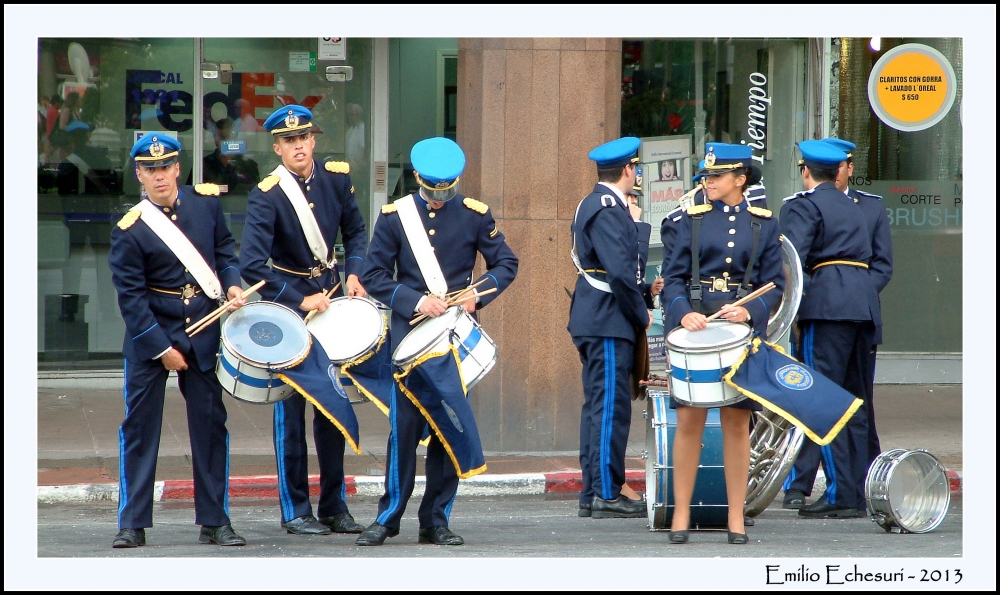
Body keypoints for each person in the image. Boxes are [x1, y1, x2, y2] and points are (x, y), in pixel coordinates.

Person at [356, 137, 518, 546]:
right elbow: (374, 275)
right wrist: (415, 300)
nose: (440, 199)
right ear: (417, 179)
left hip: (453, 333)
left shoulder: (474, 215)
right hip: (409, 337)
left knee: (448, 423)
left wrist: (477, 293)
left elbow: (506, 263)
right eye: (433, 190)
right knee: (404, 431)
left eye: (447, 190)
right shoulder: (395, 217)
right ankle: (389, 517)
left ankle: (436, 519)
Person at [107, 134, 248, 548]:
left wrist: (234, 284)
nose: (159, 175)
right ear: (139, 175)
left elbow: (224, 250)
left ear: (177, 168)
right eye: (150, 169)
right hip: (152, 335)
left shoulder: (205, 204)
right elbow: (131, 300)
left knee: (209, 427)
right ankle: (132, 522)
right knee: (140, 428)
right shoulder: (129, 229)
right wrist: (161, 348)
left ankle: (215, 520)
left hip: (204, 328)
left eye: (166, 167)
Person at [240, 105, 369, 537]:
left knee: (332, 405)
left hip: (330, 301)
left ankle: (335, 506)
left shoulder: (336, 178)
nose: (298, 146)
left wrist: (355, 272)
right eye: (288, 141)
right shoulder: (268, 193)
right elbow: (253, 265)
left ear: (313, 140)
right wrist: (299, 297)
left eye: (304, 138)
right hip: (289, 309)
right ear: (277, 148)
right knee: (290, 413)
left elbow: (355, 231)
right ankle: (295, 509)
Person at [660, 143, 785, 544]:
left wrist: (750, 312)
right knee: (689, 422)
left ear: (740, 180)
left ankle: (735, 515)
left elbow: (776, 285)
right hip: (697, 327)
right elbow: (673, 277)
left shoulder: (764, 223)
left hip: (741, 332)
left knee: (736, 424)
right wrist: (682, 312)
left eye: (715, 177)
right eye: (705, 177)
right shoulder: (690, 220)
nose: (707, 182)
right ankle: (680, 514)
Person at [781, 138, 892, 512]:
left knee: (822, 399)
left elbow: (794, 263)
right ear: (840, 171)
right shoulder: (855, 207)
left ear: (806, 172)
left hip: (827, 307)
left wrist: (798, 305)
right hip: (862, 306)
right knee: (856, 402)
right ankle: (854, 491)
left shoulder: (805, 206)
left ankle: (839, 495)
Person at [568, 137, 653, 520]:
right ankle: (604, 491)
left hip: (600, 314)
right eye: (635, 169)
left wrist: (645, 291)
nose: (636, 175)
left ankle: (593, 492)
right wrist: (641, 312)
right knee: (608, 408)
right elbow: (618, 272)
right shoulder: (606, 207)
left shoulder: (603, 205)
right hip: (607, 316)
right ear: (627, 170)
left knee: (599, 407)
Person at [184, 117, 261, 196]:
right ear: (215, 140)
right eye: (223, 138)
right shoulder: (202, 166)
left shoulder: (249, 166)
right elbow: (190, 196)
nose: (227, 142)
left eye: (230, 137)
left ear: (236, 138)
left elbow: (257, 197)